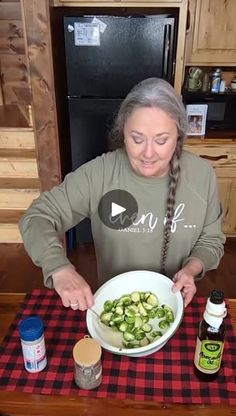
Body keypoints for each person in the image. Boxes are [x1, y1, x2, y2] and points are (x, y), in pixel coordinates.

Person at [19, 78, 225, 311]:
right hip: (114, 308)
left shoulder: (202, 175)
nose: (148, 153)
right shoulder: (99, 174)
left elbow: (211, 240)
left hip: (175, 305)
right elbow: (37, 217)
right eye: (137, 139)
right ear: (123, 134)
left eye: (161, 140)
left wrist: (191, 270)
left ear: (178, 135)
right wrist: (59, 268)